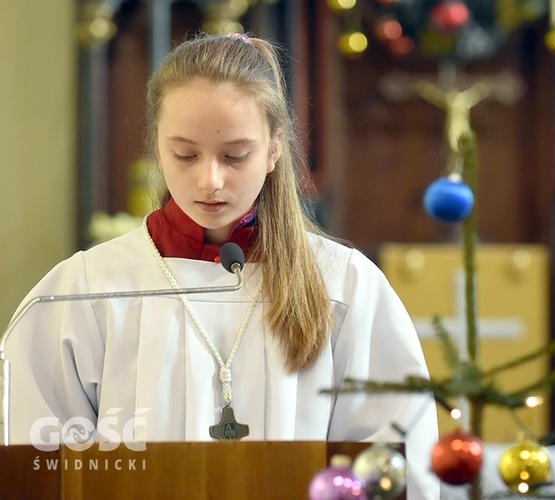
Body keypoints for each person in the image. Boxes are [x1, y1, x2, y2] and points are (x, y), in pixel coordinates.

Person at [6, 33, 439, 498]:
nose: (209, 180)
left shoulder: (345, 286)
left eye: (236, 156)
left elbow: (393, 463)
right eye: (185, 154)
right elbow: (32, 462)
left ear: (275, 149)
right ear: (156, 145)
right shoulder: (85, 291)